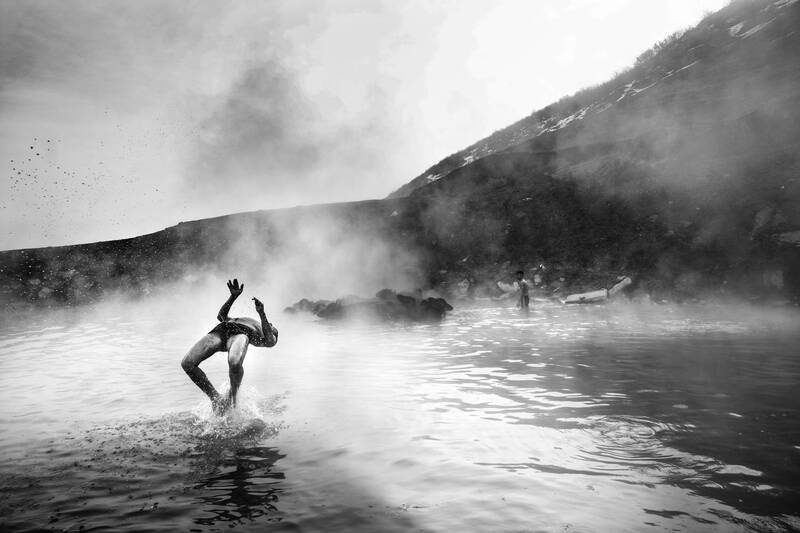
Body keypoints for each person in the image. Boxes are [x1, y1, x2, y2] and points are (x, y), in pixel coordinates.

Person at [181, 279, 278, 414]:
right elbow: (221, 316)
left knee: (235, 363)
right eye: (270, 324)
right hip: (223, 329)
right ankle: (215, 398)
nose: (271, 324)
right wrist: (233, 296)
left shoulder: (264, 333)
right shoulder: (244, 320)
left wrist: (262, 314)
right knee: (187, 363)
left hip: (241, 334)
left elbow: (270, 341)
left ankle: (233, 402)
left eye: (272, 326)